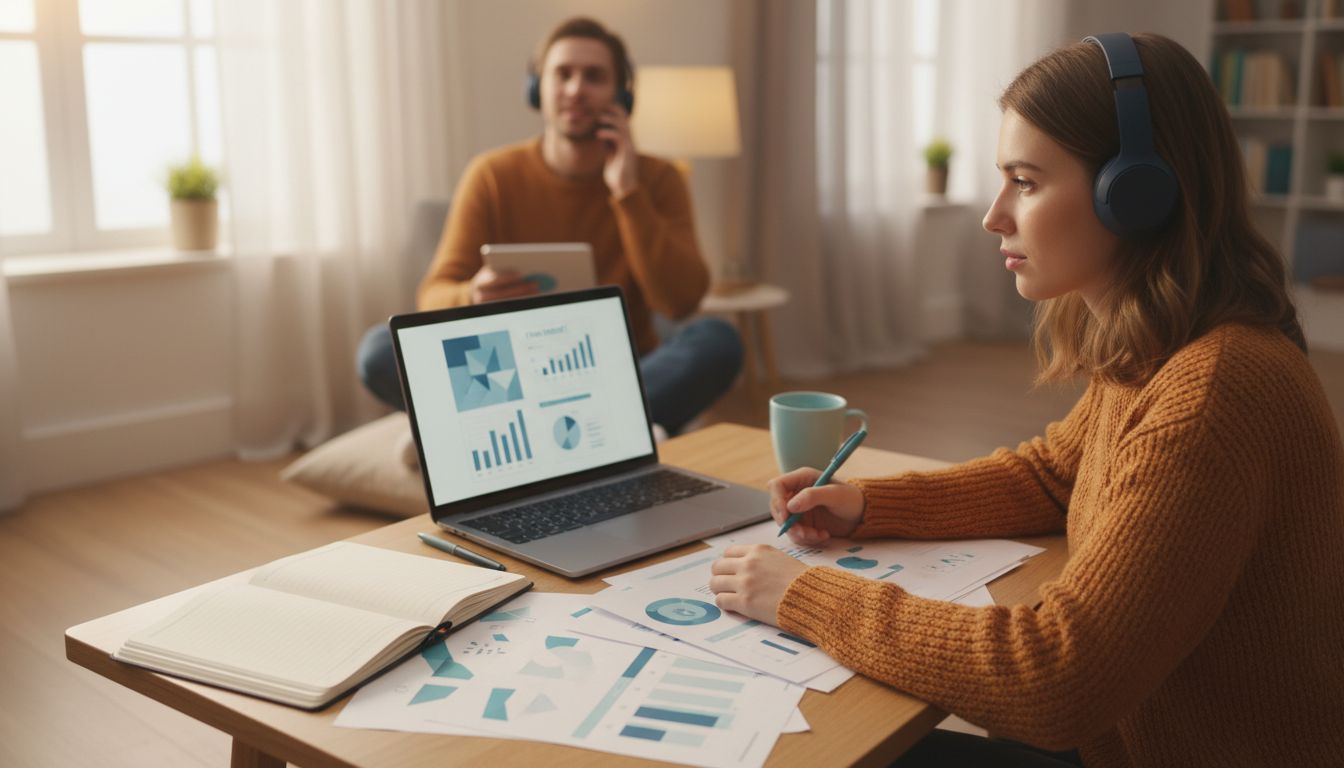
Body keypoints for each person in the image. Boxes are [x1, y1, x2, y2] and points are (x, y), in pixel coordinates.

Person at [709, 33, 1344, 767]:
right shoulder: (1162, 347)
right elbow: (1054, 474)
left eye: (1027, 181)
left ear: (1137, 194)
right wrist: (868, 506)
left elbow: (1055, 678)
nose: (994, 215)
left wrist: (804, 595)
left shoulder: (1214, 389)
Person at [356, 17, 742, 435]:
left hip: (619, 368)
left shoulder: (657, 178)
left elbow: (682, 300)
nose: (576, 89)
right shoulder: (491, 174)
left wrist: (627, 194)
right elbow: (432, 295)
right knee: (379, 350)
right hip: (508, 376)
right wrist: (471, 293)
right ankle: (609, 426)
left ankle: (502, 430)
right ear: (537, 88)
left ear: (622, 95)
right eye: (563, 74)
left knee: (717, 341)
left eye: (594, 76)